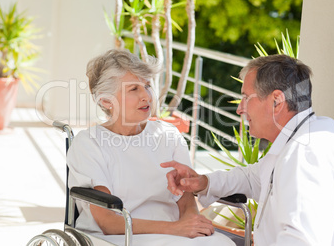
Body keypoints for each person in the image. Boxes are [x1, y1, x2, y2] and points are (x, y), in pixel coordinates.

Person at [162, 54, 334, 246]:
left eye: (246, 97)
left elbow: (301, 241)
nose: (239, 108)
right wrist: (203, 182)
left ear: (277, 101)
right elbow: (255, 177)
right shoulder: (304, 137)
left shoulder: (307, 154)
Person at [66, 49, 234, 246]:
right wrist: (176, 229)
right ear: (105, 101)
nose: (146, 96)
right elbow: (108, 222)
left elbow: (186, 197)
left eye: (147, 86)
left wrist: (191, 224)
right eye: (133, 89)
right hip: (116, 237)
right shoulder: (89, 144)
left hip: (172, 233)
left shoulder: (167, 134)